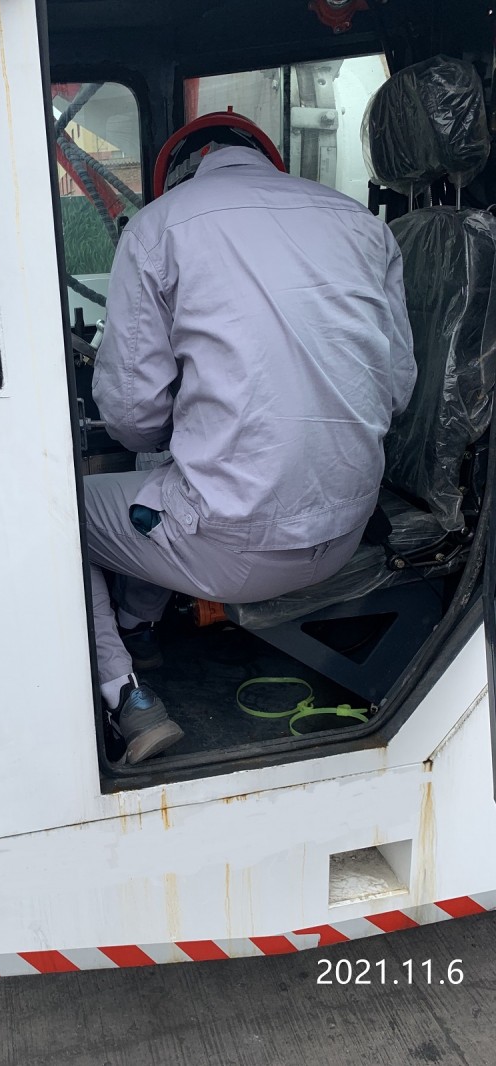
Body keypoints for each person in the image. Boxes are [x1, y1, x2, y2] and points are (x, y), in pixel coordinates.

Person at [86, 113, 417, 766]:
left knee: (62, 511)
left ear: (179, 176)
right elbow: (396, 389)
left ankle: (126, 694)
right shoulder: (363, 225)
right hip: (346, 531)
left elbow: (130, 419)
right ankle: (138, 623)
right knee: (169, 473)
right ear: (268, 160)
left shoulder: (158, 228)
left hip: (233, 550)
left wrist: (193, 413)